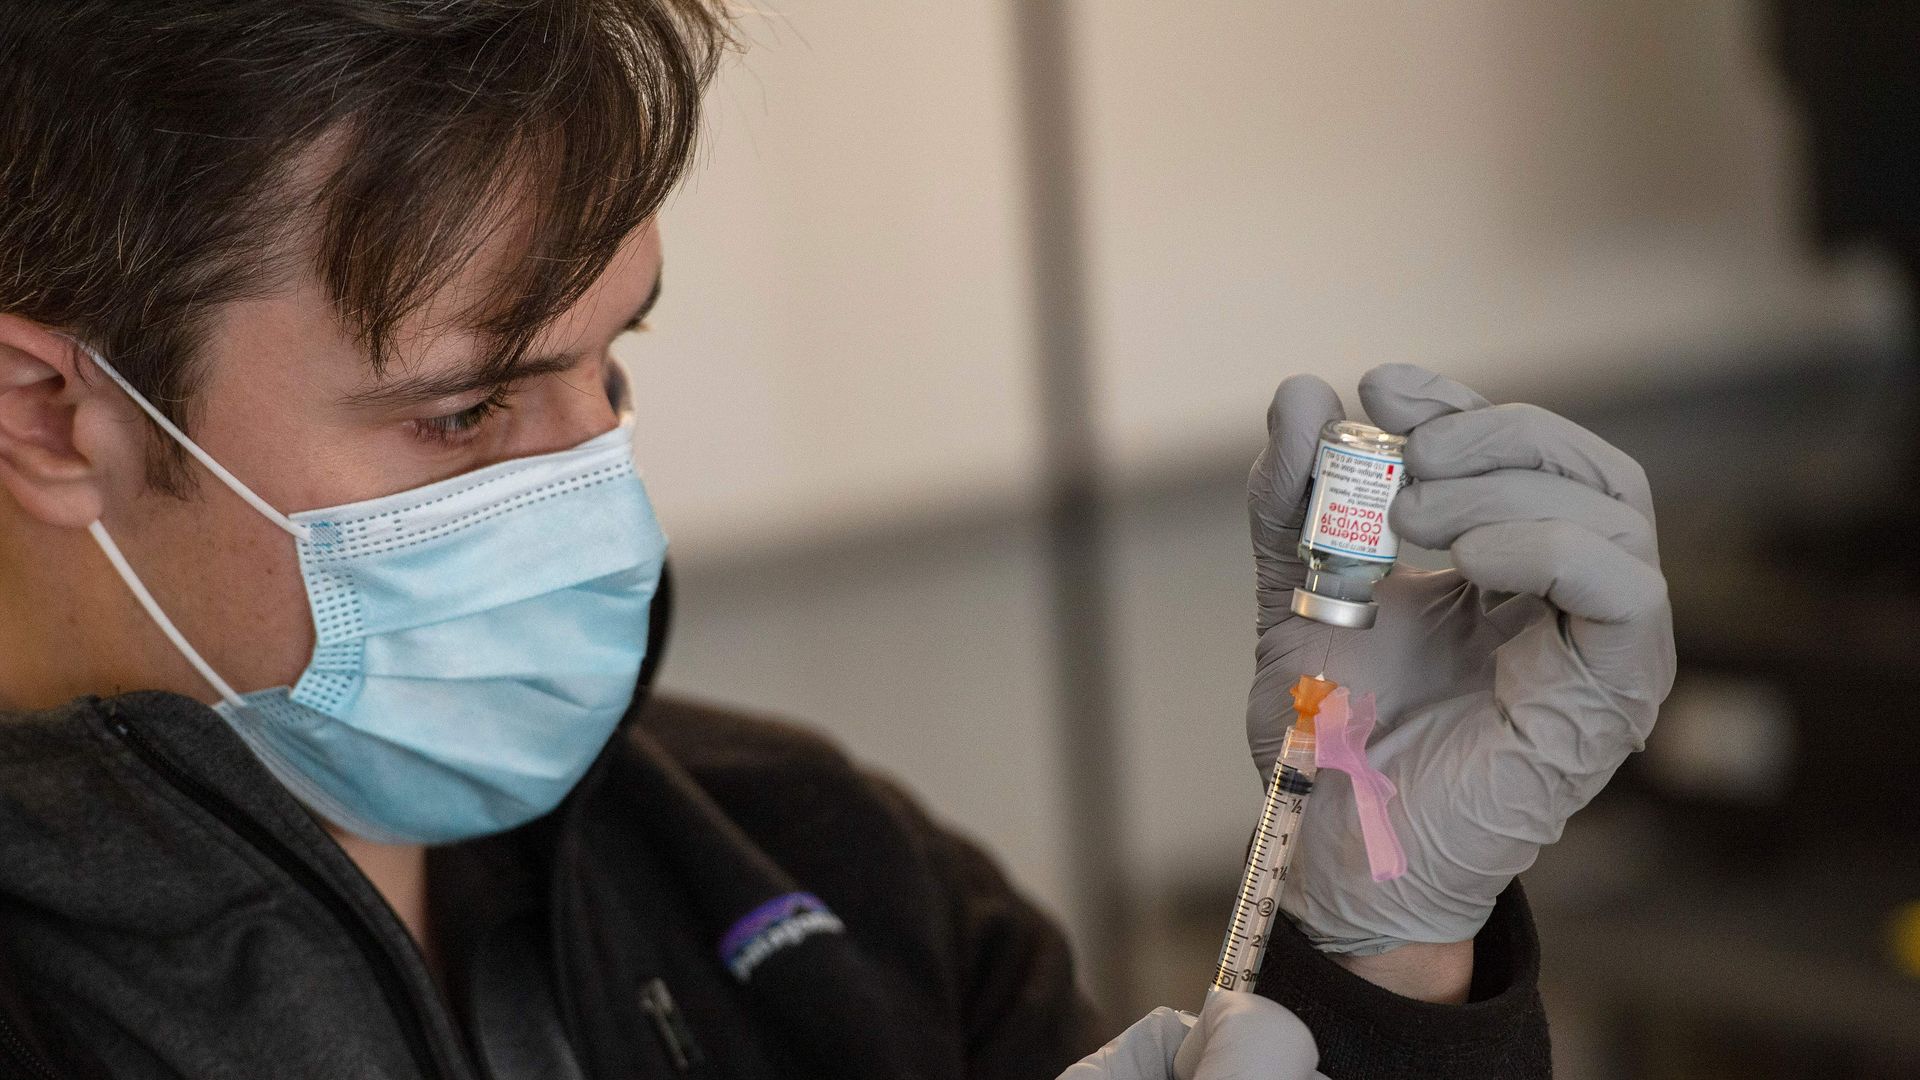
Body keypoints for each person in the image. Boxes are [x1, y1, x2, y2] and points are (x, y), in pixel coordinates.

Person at [0, 3, 1674, 1077]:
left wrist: (1387, 962)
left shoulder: (817, 865)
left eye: (615, 365)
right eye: (467, 415)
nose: (599, 492)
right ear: (51, 415)